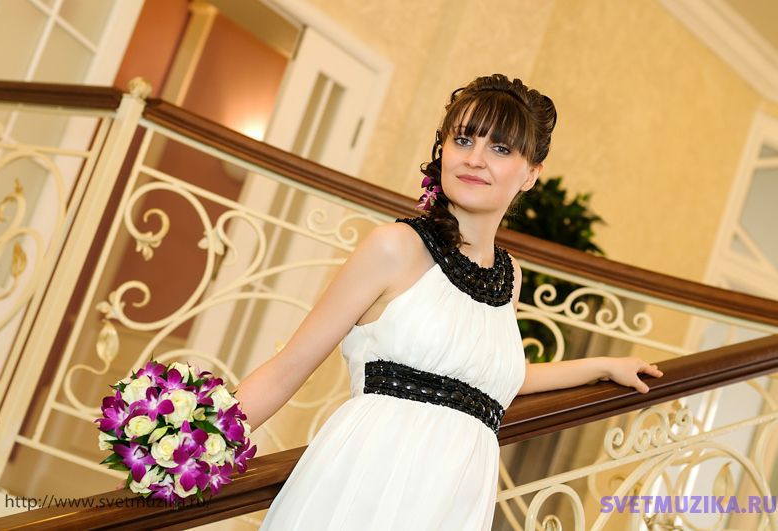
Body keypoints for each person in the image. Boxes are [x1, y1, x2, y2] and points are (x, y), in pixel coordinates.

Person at [234, 74, 663, 530]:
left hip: (453, 504)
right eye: (463, 140)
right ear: (444, 149)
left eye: (500, 148)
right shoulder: (395, 247)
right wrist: (195, 438)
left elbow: (487, 375)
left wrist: (602, 366)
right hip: (367, 482)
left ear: (531, 174)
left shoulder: (510, 275)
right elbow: (286, 370)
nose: (475, 158)